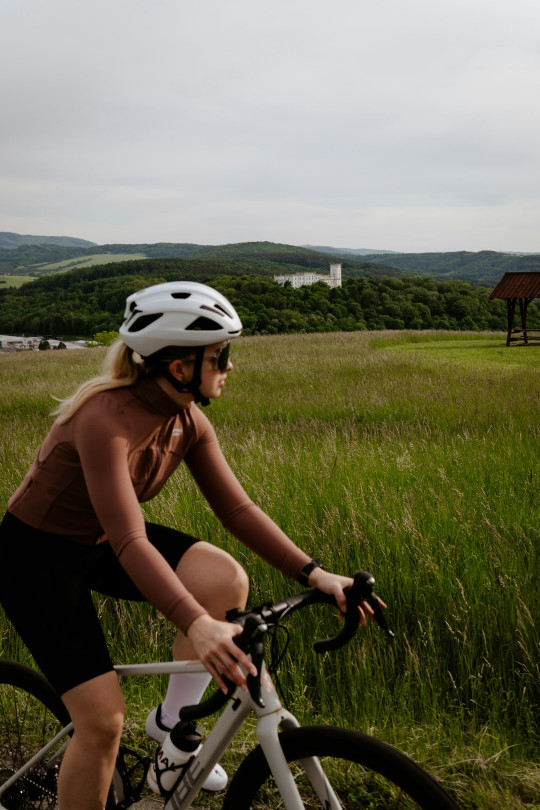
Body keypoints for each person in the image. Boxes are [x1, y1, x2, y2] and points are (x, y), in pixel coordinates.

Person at [0, 281, 370, 810]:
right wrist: (196, 624)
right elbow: (130, 537)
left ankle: (172, 726)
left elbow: (237, 510)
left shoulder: (187, 419)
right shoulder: (104, 420)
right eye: (221, 355)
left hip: (103, 539)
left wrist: (315, 573)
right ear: (179, 367)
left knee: (224, 578)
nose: (229, 366)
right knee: (102, 722)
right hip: (37, 556)